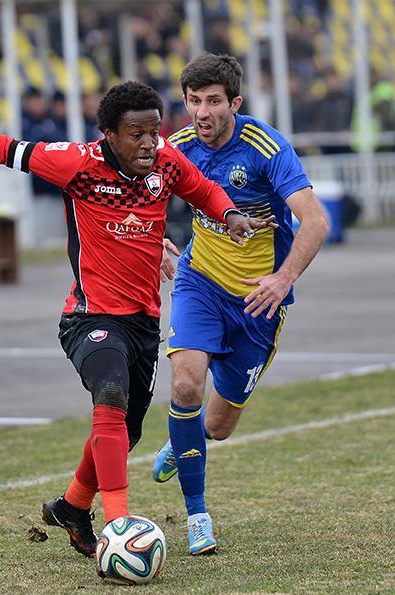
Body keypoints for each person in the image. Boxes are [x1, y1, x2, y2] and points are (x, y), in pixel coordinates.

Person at [0, 80, 272, 558]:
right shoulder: (76, 163)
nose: (149, 144)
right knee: (111, 394)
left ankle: (73, 506)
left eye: (153, 132)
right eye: (136, 135)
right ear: (109, 134)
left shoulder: (166, 161)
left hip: (143, 322)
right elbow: (0, 147)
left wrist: (230, 215)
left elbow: (202, 189)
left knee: (127, 431)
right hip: (89, 317)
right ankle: (119, 524)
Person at [150, 53, 330, 555]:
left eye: (213, 101)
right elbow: (140, 199)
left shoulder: (265, 147)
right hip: (200, 282)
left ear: (235, 103)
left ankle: (184, 439)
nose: (202, 112)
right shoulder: (176, 148)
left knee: (218, 426)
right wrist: (157, 240)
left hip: (257, 301)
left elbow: (316, 221)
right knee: (185, 383)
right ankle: (197, 516)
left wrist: (282, 278)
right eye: (193, 101)